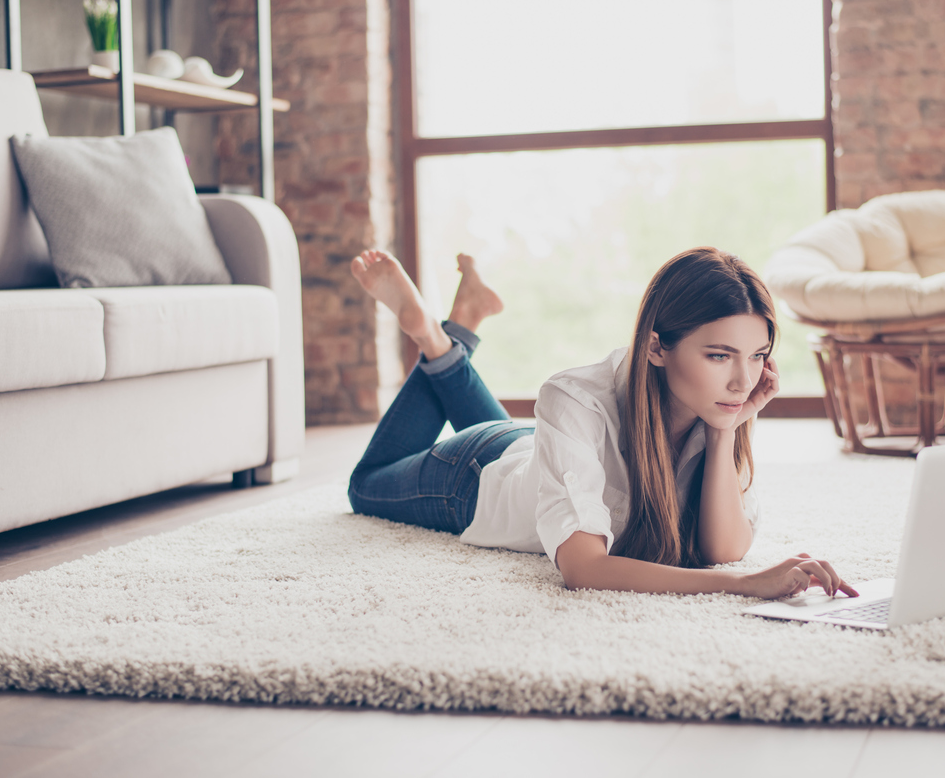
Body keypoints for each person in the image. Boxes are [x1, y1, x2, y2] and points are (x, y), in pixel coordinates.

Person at [347, 246, 857, 600]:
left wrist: (725, 432)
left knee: (544, 454)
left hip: (542, 455)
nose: (744, 381)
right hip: (473, 477)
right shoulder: (573, 398)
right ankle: (433, 336)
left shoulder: (717, 407)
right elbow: (583, 568)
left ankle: (461, 322)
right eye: (720, 356)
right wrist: (743, 585)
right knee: (364, 485)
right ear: (657, 346)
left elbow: (721, 549)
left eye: (757, 356)